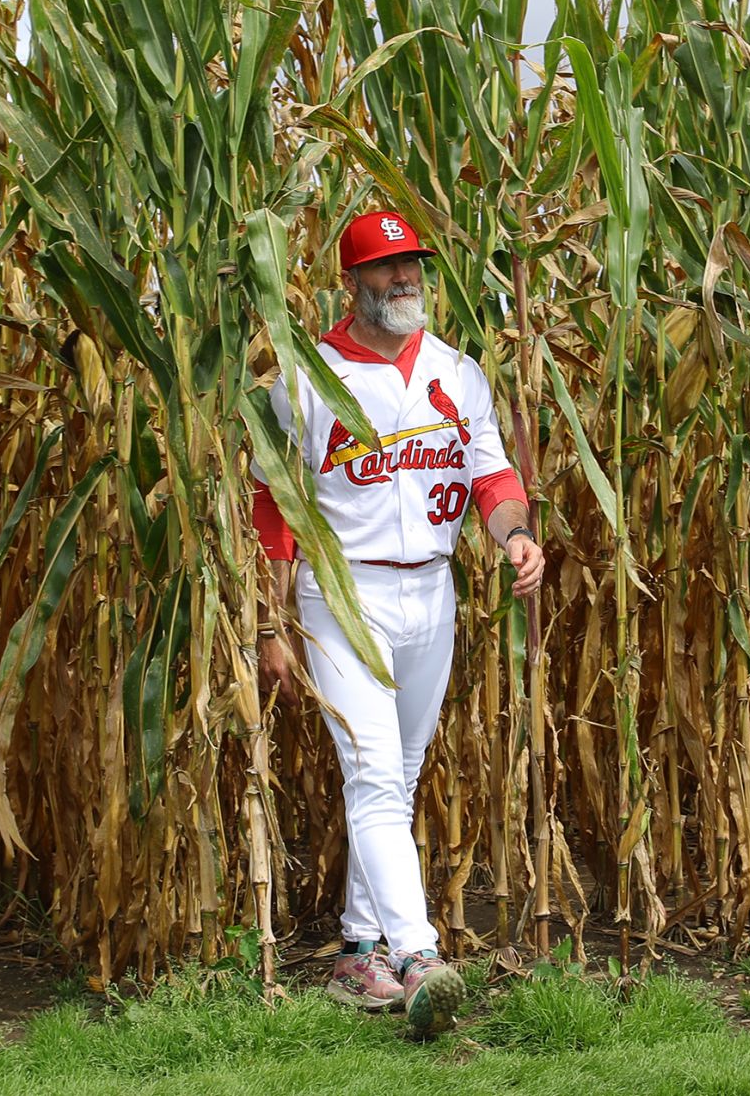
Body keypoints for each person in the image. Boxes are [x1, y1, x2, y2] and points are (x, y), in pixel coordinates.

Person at [251, 209, 546, 1037]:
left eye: (411, 262)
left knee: (398, 775)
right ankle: (419, 959)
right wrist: (271, 624)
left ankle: (357, 951)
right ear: (352, 283)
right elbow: (273, 505)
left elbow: (492, 479)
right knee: (376, 773)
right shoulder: (304, 378)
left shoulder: (457, 372)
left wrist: (516, 537)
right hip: (342, 593)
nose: (403, 277)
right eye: (384, 267)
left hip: (432, 595)